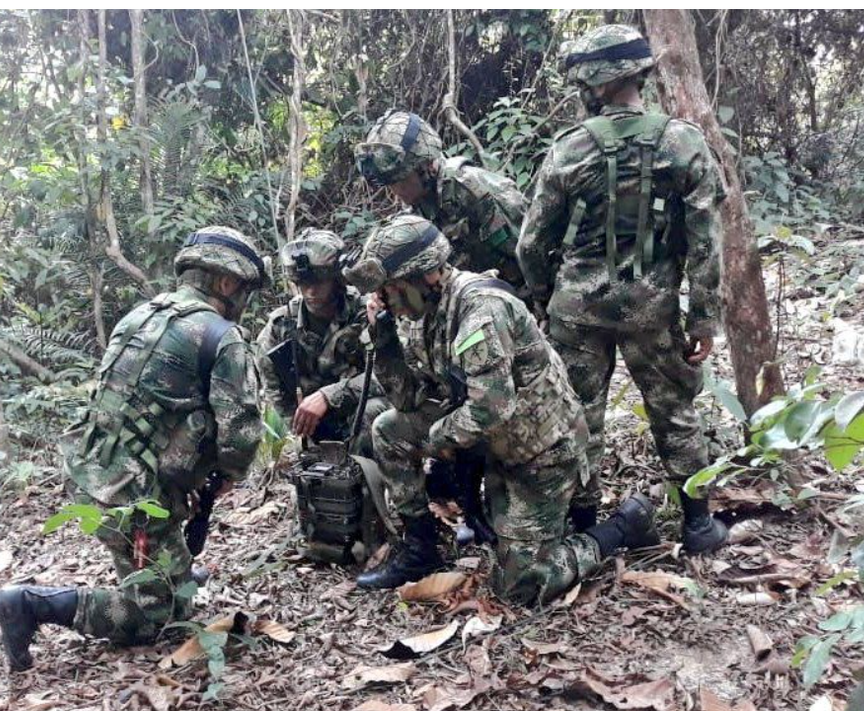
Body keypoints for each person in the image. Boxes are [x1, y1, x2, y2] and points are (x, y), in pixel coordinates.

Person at [0, 226, 268, 671]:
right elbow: (240, 433)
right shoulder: (221, 336)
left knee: (175, 585)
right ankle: (27, 604)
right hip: (131, 496)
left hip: (90, 472)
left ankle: (168, 573)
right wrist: (227, 475)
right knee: (156, 618)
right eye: (245, 290)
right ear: (227, 282)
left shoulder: (140, 316)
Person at [343, 214, 658, 604]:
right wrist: (383, 338)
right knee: (389, 430)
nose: (383, 299)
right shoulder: (420, 315)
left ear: (422, 277)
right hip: (493, 441)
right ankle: (420, 548)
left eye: (389, 288)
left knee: (521, 584)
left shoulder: (481, 311)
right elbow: (407, 400)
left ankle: (625, 525)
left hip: (541, 450)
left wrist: (439, 440)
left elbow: (490, 410)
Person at [516, 25, 728, 552]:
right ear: (638, 75)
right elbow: (705, 239)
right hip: (652, 309)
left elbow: (531, 244)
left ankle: (584, 525)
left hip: (576, 311)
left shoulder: (569, 148)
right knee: (674, 410)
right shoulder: (684, 142)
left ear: (596, 82)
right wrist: (703, 317)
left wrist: (545, 299)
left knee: (579, 415)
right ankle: (698, 525)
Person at [354, 110, 527, 292]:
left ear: (424, 166)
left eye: (400, 180)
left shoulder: (472, 189)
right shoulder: (417, 210)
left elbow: (529, 251)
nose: (395, 191)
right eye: (389, 184)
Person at [255, 228, 387, 455]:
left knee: (372, 412)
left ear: (337, 280)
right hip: (316, 425)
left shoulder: (366, 312)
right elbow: (274, 387)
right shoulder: (281, 325)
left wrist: (329, 396)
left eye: (319, 282)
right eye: (303, 283)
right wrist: (300, 426)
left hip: (361, 415)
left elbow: (388, 376)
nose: (311, 291)